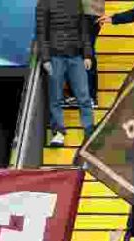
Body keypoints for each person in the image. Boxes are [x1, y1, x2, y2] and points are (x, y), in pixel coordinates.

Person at [35, 0, 95, 147]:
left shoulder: (76, 2)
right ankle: (58, 132)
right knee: (55, 97)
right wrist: (46, 59)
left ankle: (89, 130)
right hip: (55, 57)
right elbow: (41, 33)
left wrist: (87, 55)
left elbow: (83, 30)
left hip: (76, 56)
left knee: (84, 96)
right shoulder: (43, 3)